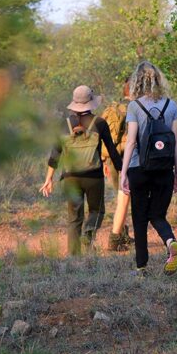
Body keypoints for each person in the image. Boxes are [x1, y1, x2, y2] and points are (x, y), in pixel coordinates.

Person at [40, 85, 123, 255]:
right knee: (97, 211)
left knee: (74, 217)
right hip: (94, 177)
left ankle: (74, 255)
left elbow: (55, 154)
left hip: (70, 177)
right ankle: (88, 233)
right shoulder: (99, 123)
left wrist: (49, 179)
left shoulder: (63, 125)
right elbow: (112, 151)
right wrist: (123, 171)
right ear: (91, 103)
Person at [119, 61, 177, 276]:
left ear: (137, 82)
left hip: (139, 168)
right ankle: (170, 241)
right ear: (158, 80)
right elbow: (175, 141)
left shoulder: (134, 106)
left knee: (139, 217)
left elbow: (131, 142)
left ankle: (141, 266)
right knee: (157, 214)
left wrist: (123, 173)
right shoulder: (171, 105)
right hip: (164, 169)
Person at [101, 77, 133, 251]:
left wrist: (104, 159)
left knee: (120, 197)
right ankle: (119, 236)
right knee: (127, 197)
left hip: (112, 158)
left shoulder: (111, 108)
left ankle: (121, 233)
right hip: (128, 158)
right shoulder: (135, 108)